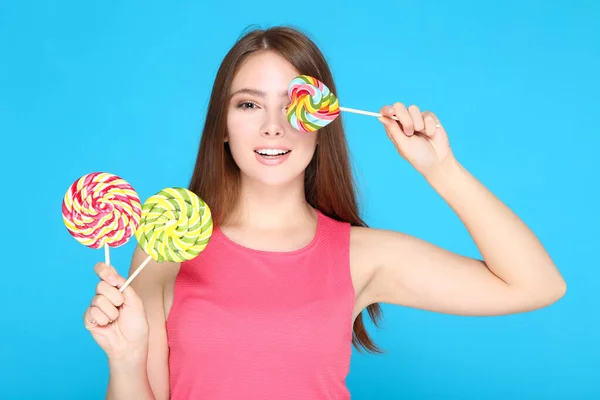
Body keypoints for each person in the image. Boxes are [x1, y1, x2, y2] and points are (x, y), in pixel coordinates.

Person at [82, 26, 567, 399]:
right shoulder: (168, 240)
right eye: (249, 104)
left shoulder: (361, 255)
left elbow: (538, 284)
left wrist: (442, 170)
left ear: (321, 119)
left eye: (291, 106)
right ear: (223, 127)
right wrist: (124, 359)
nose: (272, 127)